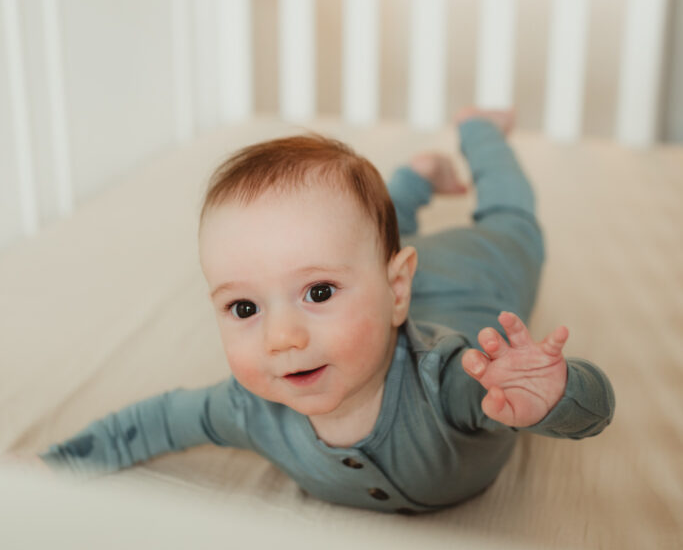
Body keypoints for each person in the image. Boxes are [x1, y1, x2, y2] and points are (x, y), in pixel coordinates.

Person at [29, 108, 614, 513]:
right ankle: (413, 180)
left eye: (318, 294)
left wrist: (555, 395)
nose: (282, 337)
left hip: (475, 275)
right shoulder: (250, 409)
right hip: (383, 266)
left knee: (512, 221)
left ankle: (479, 130)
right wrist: (49, 472)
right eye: (244, 306)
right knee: (357, 236)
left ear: (398, 291)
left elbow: (590, 412)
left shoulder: (454, 381)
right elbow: (154, 422)